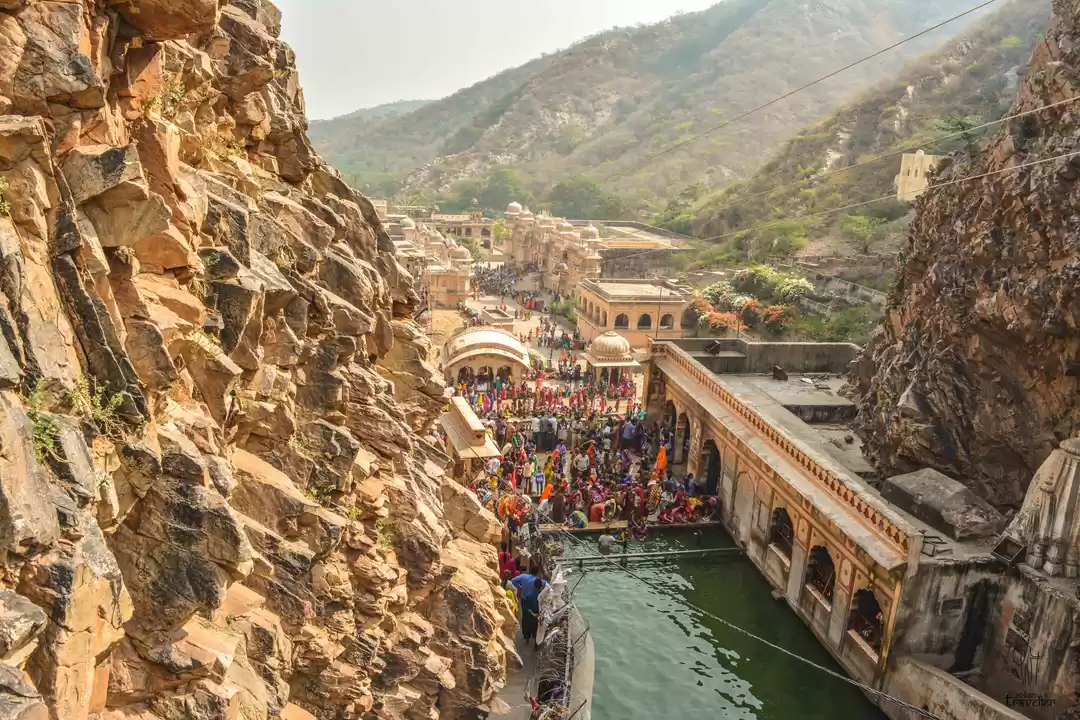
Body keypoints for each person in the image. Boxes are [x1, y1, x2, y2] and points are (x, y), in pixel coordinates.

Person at [511, 574, 547, 649]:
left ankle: (528, 639)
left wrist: (520, 588)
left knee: (528, 624)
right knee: (534, 626)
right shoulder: (535, 595)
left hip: (533, 611)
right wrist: (534, 613)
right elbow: (527, 607)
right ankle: (533, 641)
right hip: (533, 612)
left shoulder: (534, 593)